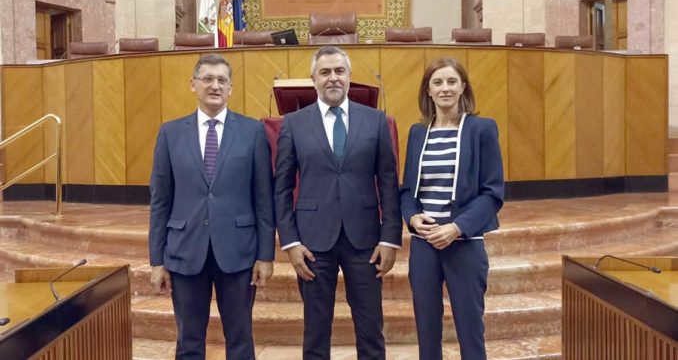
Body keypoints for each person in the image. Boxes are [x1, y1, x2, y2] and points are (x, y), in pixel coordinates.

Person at [274, 45, 401, 360]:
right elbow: (282, 187)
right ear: (313, 79)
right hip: (312, 242)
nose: (333, 78)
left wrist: (390, 238)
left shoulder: (375, 121)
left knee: (371, 330)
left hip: (366, 240)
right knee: (315, 333)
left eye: (339, 71)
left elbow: (388, 182)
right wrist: (290, 242)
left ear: (349, 76)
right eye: (325, 72)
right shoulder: (293, 124)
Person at [148, 54, 275, 360]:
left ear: (230, 87)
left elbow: (263, 198)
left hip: (239, 253)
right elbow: (160, 201)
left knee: (241, 339)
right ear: (193, 84)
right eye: (207, 79)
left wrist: (265, 255)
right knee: (189, 341)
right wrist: (156, 260)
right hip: (184, 252)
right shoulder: (170, 133)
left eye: (221, 80)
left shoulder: (252, 131)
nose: (215, 86)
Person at [399, 57, 504, 360]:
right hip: (424, 246)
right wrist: (413, 217)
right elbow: (408, 191)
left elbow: (492, 192)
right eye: (437, 82)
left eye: (451, 82)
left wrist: (457, 227)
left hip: (464, 244)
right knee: (427, 330)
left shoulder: (482, 129)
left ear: (462, 88)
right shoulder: (418, 133)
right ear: (428, 91)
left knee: (470, 332)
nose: (445, 88)